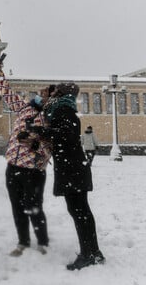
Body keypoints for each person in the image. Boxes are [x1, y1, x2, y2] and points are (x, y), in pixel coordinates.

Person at [31, 82, 105, 270]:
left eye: (55, 91)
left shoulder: (63, 110)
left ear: (61, 93)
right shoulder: (63, 109)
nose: (52, 93)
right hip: (73, 167)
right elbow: (63, 134)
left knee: (80, 212)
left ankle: (89, 254)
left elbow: (66, 135)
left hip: (72, 168)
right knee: (81, 212)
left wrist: (39, 131)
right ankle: (93, 252)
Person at [0, 62, 54, 257]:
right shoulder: (24, 109)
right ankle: (23, 242)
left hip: (34, 171)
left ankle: (42, 242)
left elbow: (51, 148)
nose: (38, 95)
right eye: (39, 93)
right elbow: (6, 93)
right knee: (17, 207)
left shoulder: (48, 119)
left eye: (43, 94)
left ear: (50, 99)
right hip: (13, 166)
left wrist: (36, 145)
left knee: (34, 207)